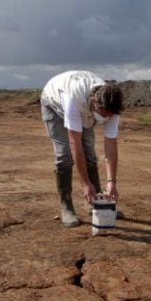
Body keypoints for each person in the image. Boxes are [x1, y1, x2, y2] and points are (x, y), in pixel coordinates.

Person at [40, 71, 124, 227]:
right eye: (101, 114)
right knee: (64, 156)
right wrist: (85, 183)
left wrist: (111, 182)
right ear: (93, 101)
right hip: (53, 104)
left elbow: (111, 144)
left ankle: (97, 203)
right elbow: (75, 144)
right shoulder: (74, 100)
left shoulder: (112, 107)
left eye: (108, 116)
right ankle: (67, 207)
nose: (104, 119)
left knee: (90, 155)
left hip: (83, 109)